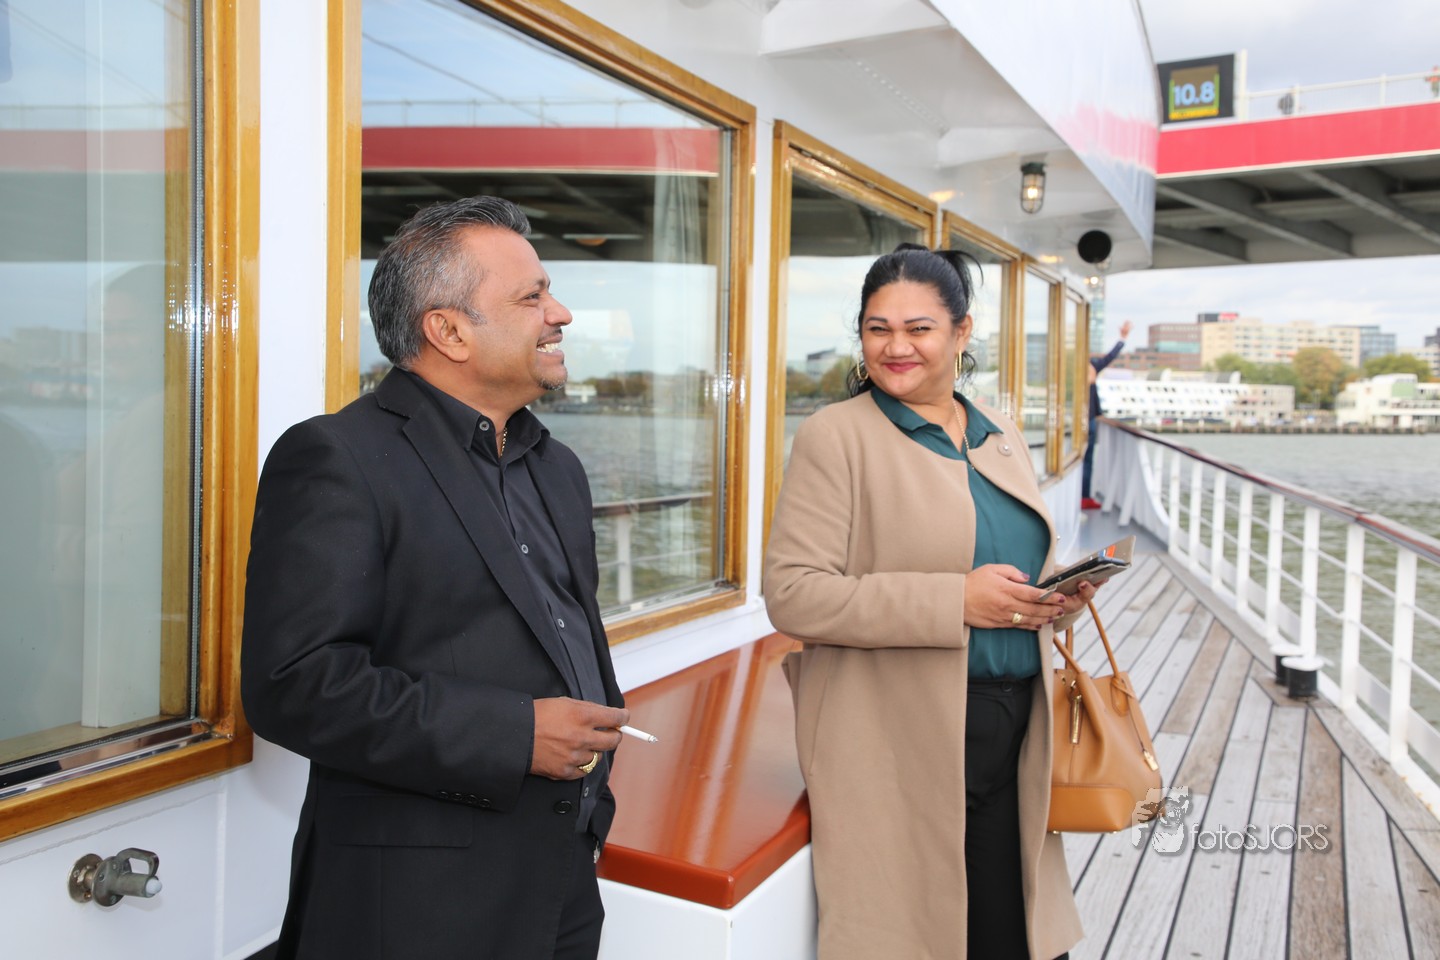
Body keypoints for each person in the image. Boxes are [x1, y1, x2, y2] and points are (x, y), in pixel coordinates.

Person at [241, 196, 629, 960]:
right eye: (532, 297)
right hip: (416, 907)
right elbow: (294, 685)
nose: (560, 314)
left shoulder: (557, 467)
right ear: (448, 331)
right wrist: (517, 734)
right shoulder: (337, 457)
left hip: (560, 881)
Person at [763, 243, 1097, 959]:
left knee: (1019, 936)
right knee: (927, 937)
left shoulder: (998, 432)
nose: (896, 346)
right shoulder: (836, 437)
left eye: (919, 328)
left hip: (1018, 730)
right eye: (877, 328)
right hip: (902, 736)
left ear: (961, 332)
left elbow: (1002, 571)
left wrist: (1052, 597)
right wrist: (957, 601)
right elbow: (792, 595)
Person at [1081, 319, 1131, 510]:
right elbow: (1109, 358)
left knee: (1084, 459)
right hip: (1086, 420)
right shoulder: (1087, 368)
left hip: (1086, 419)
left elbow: (1109, 357)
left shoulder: (1086, 367)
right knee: (1086, 460)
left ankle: (1084, 495)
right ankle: (1084, 496)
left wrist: (1122, 338)